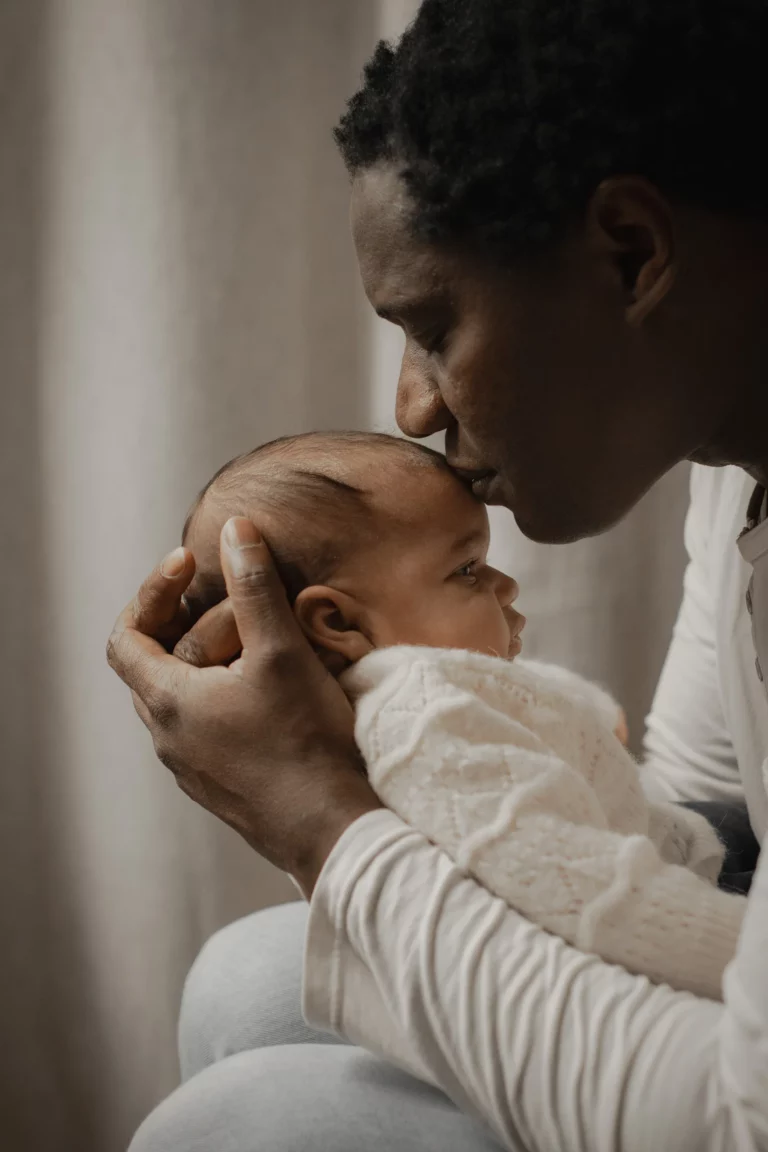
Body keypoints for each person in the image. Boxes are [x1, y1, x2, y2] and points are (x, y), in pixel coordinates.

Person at [107, 1, 768, 1148]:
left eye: (431, 324)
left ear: (631, 253)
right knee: (246, 981)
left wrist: (321, 820)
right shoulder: (734, 468)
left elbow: (736, 1120)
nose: (410, 409)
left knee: (226, 1125)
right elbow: (710, 820)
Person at [186, 429, 739, 1000]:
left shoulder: (430, 697)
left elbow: (527, 697)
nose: (507, 585)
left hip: (674, 852)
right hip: (666, 936)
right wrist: (743, 955)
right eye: (468, 569)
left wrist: (593, 722)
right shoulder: (422, 724)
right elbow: (588, 898)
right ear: (337, 623)